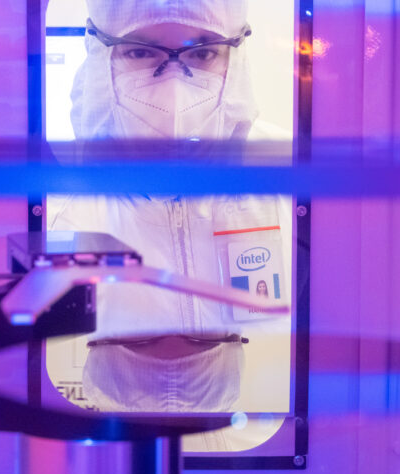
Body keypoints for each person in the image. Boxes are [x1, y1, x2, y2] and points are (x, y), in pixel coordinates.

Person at [49, 0, 285, 413]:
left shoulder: (290, 177)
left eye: (202, 53)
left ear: (236, 53)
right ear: (102, 53)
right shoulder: (52, 200)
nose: (174, 87)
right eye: (141, 51)